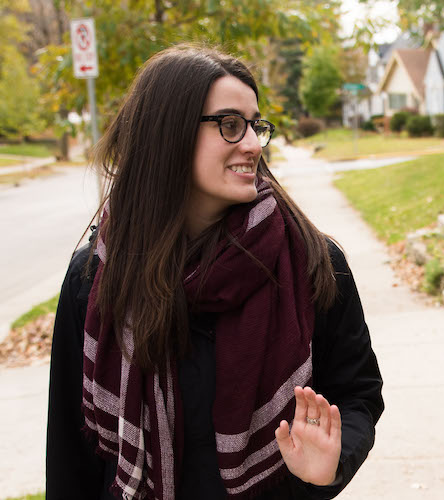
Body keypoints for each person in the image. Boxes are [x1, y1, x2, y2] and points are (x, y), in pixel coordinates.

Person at [46, 45, 384, 500]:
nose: (251, 144)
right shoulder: (96, 278)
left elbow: (357, 393)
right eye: (229, 125)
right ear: (169, 133)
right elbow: (71, 451)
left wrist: (329, 465)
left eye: (255, 126)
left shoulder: (310, 263)